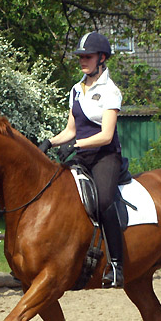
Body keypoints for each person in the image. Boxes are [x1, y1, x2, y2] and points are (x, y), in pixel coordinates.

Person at [38, 31, 125, 288]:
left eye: (87, 56)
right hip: (82, 157)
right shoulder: (76, 89)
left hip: (105, 158)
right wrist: (50, 142)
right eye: (80, 56)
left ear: (102, 58)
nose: (82, 60)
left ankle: (117, 265)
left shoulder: (111, 91)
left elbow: (106, 135)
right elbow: (71, 130)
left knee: (105, 200)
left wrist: (74, 146)